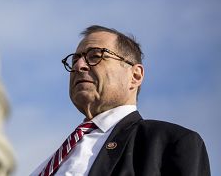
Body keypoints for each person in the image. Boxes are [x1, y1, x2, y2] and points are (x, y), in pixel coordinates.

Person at [31, 25, 210, 176]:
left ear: (135, 75)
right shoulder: (49, 163)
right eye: (75, 59)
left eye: (95, 55)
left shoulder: (169, 143)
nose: (79, 66)